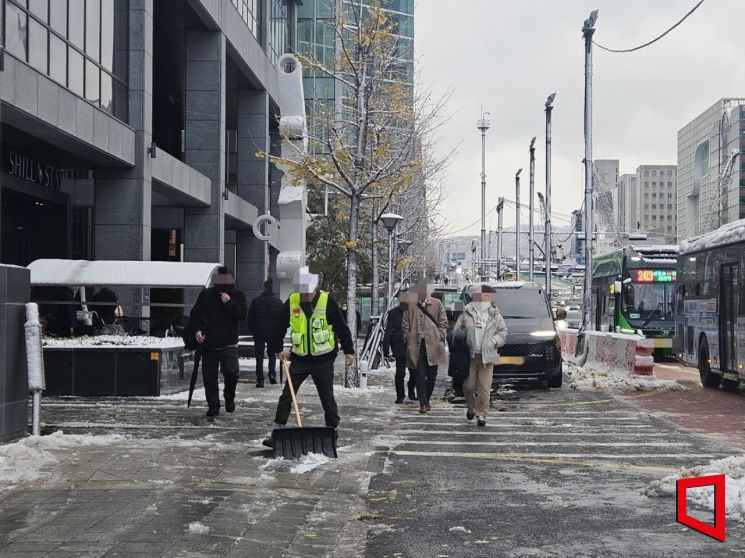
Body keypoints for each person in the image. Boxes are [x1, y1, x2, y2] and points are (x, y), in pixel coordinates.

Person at [263, 267, 355, 447]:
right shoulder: (292, 301)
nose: (304, 294)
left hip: (324, 359)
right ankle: (277, 431)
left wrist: (349, 350)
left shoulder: (327, 301)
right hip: (300, 359)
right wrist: (277, 350)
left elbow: (341, 327)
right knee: (286, 396)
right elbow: (279, 327)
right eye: (301, 290)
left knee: (327, 397)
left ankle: (332, 431)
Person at [188, 267, 248, 417]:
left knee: (231, 373)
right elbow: (196, 314)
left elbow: (242, 314)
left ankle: (229, 398)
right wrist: (197, 330)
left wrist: (229, 303)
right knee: (209, 376)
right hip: (209, 343)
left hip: (229, 343)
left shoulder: (237, 294)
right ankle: (213, 405)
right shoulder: (207, 295)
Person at [453, 285, 507, 427]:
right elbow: (456, 334)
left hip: (489, 355)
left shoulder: (495, 314)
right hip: (470, 356)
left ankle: (482, 413)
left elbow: (503, 333)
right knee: (469, 386)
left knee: (484, 387)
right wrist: (462, 329)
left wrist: (494, 341)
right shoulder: (466, 312)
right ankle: (471, 408)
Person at [402, 279, 448, 414]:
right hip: (416, 346)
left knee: (432, 376)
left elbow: (443, 321)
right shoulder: (411, 305)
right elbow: (405, 324)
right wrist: (407, 337)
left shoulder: (437, 304)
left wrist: (440, 335)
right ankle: (422, 403)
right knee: (419, 375)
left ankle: (426, 399)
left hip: (433, 345)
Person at [246, 278, 284, 387]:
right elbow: (282, 319)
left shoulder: (256, 301)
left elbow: (250, 318)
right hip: (273, 334)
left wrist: (253, 330)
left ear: (264, 287)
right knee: (272, 354)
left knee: (259, 356)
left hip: (259, 333)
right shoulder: (278, 302)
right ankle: (272, 374)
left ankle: (260, 378)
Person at [383, 291, 417, 403]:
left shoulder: (414, 311)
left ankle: (411, 391)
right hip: (399, 347)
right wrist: (386, 348)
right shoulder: (393, 313)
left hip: (413, 346)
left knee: (414, 372)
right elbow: (388, 331)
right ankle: (400, 395)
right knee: (400, 373)